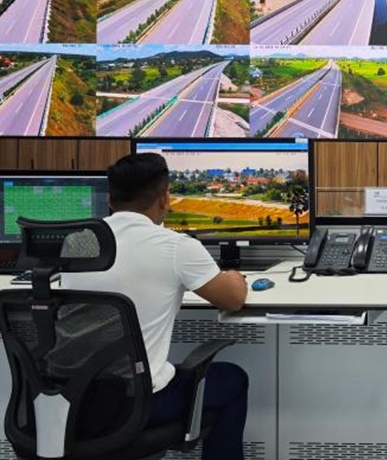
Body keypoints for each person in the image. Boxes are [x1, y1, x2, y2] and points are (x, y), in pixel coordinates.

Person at [61, 153, 250, 460]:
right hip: (137, 404)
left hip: (73, 399)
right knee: (232, 379)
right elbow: (233, 299)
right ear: (165, 199)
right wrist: (233, 276)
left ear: (110, 200)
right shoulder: (177, 247)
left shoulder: (78, 242)